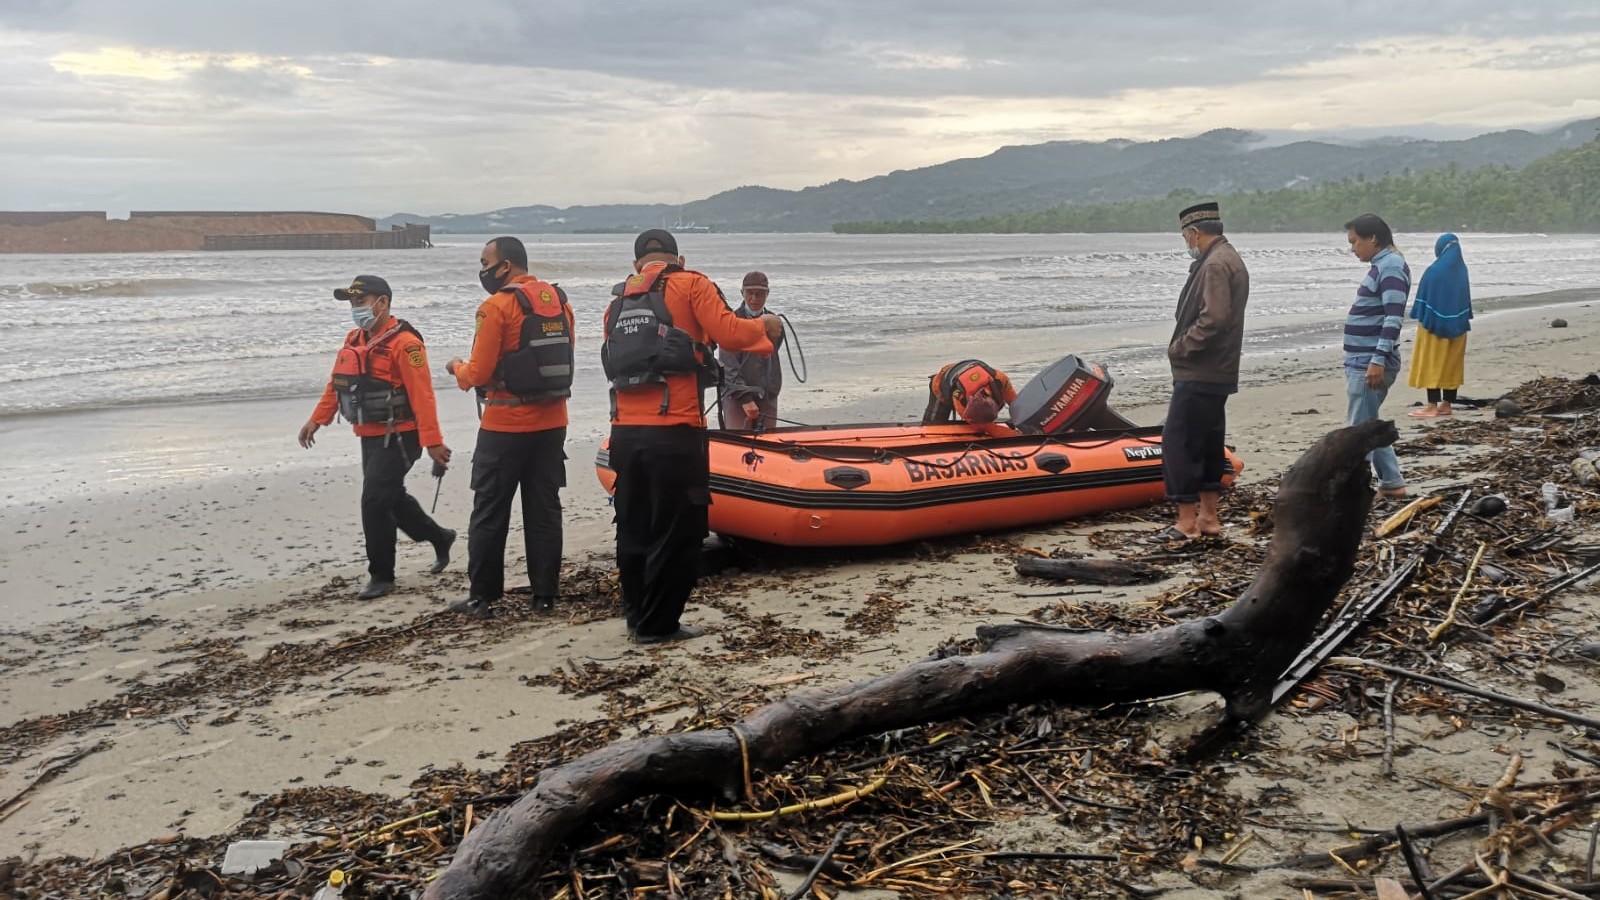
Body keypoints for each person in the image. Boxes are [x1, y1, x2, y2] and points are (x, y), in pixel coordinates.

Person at [603, 229, 781, 644]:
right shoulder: (692, 284)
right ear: (678, 260)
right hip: (676, 429)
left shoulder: (617, 304)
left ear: (636, 267)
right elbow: (731, 333)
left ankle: (635, 613)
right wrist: (766, 329)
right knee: (679, 529)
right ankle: (658, 624)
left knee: (633, 524)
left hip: (624, 432)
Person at [298, 275, 455, 600]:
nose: (356, 308)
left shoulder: (406, 344)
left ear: (382, 302)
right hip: (368, 434)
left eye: (361, 301)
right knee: (389, 497)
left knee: (373, 500)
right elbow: (336, 384)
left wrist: (433, 442)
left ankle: (381, 575)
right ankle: (440, 536)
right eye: (353, 303)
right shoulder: (354, 339)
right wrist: (317, 419)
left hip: (401, 436)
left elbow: (422, 395)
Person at [444, 237, 575, 619]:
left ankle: (483, 597)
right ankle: (545, 596)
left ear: (506, 266)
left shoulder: (495, 306)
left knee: (489, 510)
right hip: (553, 424)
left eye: (486, 262)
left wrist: (456, 368)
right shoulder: (560, 301)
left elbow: (479, 373)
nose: (482, 270)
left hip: (504, 425)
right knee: (544, 510)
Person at [1160, 201, 1249, 541]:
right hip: (1219, 369)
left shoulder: (1214, 264)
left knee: (1178, 442)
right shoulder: (1227, 258)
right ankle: (1209, 518)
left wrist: (1180, 347)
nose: (1186, 242)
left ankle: (1186, 522)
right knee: (1209, 441)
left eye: (1186, 236)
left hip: (1201, 368)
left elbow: (1214, 319)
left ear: (1194, 232)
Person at [1343, 213, 1412, 498]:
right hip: (1363, 359)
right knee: (1369, 425)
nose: (1352, 248)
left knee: (1359, 431)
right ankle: (1392, 482)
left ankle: (1352, 488)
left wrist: (1377, 360)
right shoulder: (1382, 265)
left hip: (1369, 361)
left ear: (1373, 238)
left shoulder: (1392, 266)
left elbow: (1393, 319)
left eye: (1355, 241)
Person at [1407, 233, 1472, 417]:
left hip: (1433, 327)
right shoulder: (1462, 270)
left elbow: (1424, 299)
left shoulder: (1434, 271)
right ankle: (1447, 404)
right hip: (1458, 327)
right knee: (1452, 364)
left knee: (1432, 363)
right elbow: (1465, 301)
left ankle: (1431, 406)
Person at [717, 271, 783, 431]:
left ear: (767, 294)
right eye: (750, 293)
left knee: (769, 445)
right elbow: (728, 367)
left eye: (759, 294)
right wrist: (744, 398)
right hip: (737, 397)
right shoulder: (731, 322)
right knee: (738, 445)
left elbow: (773, 354)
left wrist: (772, 390)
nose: (754, 298)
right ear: (742, 293)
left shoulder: (774, 322)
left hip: (767, 396)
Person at [921, 360, 1017, 426]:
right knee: (934, 424)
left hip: (969, 371)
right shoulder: (959, 398)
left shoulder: (1000, 379)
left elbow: (1016, 404)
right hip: (941, 384)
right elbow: (978, 426)